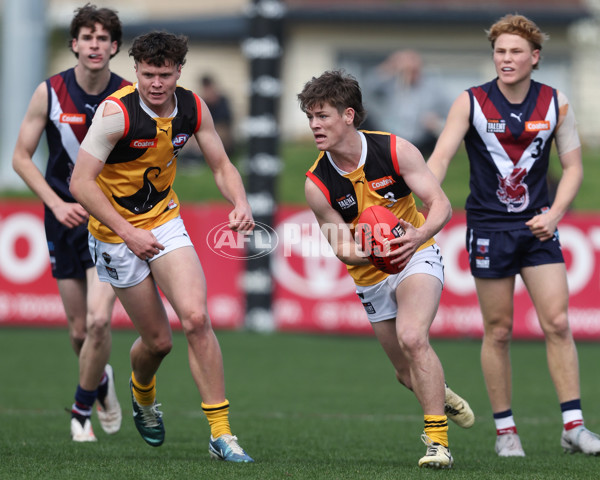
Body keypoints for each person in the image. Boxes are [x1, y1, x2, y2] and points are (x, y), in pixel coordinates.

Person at [69, 31, 254, 462]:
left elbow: (222, 164)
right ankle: (143, 393)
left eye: (164, 75)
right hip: (115, 235)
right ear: (135, 71)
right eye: (148, 74)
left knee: (195, 318)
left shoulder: (192, 106)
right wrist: (128, 232)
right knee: (158, 343)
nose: (156, 83)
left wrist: (240, 201)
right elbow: (80, 182)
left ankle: (221, 435)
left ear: (178, 73)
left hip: (165, 221)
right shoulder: (116, 114)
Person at [427, 13, 600, 457]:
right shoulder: (470, 102)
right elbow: (441, 157)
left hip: (539, 228)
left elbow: (576, 168)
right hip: (488, 229)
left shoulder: (556, 102)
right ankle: (506, 431)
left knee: (558, 323)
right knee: (499, 331)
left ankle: (574, 427)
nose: (506, 59)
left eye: (515, 52)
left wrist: (556, 213)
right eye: (500, 51)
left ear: (534, 57)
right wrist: (424, 195)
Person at [297, 70, 474, 469]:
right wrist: (376, 251)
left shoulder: (395, 150)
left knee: (414, 338)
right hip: (371, 274)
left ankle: (438, 443)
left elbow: (441, 204)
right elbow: (342, 248)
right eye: (310, 117)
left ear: (348, 115)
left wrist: (414, 236)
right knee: (404, 372)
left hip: (416, 254)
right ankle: (439, 391)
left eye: (322, 116)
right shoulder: (317, 184)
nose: (314, 125)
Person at [12, 3, 129, 442]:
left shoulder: (130, 95)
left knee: (100, 323)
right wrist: (56, 204)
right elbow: (21, 158)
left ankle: (81, 414)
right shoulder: (50, 91)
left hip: (108, 222)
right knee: (80, 333)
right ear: (74, 44)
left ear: (114, 47)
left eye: (103, 38)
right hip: (62, 218)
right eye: (87, 37)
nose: (95, 45)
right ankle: (103, 383)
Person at [363, 49, 451, 158]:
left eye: (414, 70)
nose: (410, 74)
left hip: (421, 143)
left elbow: (451, 112)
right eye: (406, 70)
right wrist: (390, 66)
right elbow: (367, 88)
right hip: (386, 140)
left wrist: (437, 123)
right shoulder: (388, 83)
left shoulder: (432, 88)